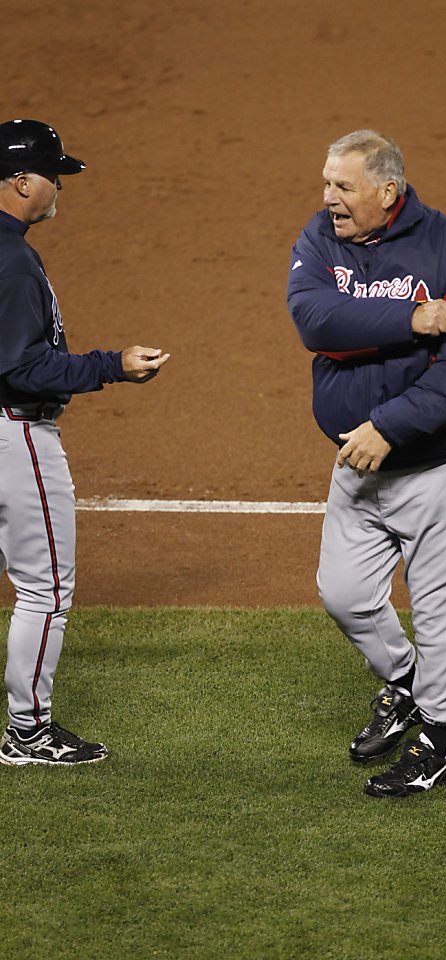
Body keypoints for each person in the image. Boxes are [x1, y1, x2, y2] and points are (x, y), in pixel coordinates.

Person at [287, 130, 446, 798]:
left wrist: (389, 425)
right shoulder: (320, 238)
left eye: (343, 187)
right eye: (326, 183)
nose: (329, 200)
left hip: (442, 463)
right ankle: (406, 682)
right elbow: (315, 320)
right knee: (345, 595)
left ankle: (438, 745)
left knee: (439, 609)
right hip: (359, 459)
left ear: (389, 190)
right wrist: (414, 318)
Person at [0, 119, 170, 766]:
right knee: (45, 592)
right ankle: (29, 734)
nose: (59, 184)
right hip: (15, 436)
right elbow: (20, 367)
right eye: (52, 174)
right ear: (20, 181)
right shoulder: (12, 259)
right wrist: (112, 365)